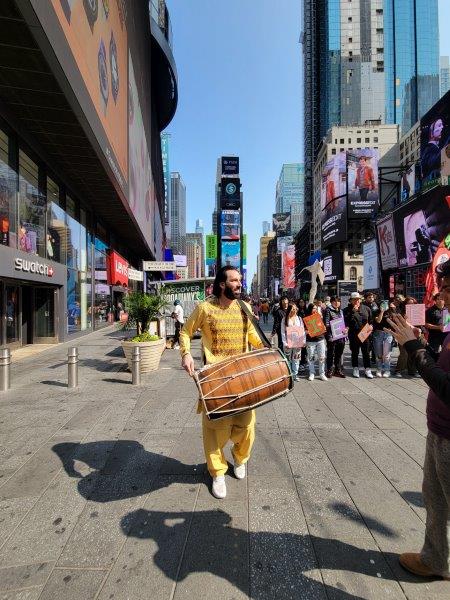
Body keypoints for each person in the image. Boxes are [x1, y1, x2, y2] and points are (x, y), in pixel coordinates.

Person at [385, 260, 450, 581]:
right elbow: (442, 367)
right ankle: (435, 559)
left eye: (448, 289)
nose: (442, 295)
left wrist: (415, 349)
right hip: (438, 430)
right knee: (434, 497)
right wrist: (420, 345)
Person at [179, 266, 263, 500]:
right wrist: (185, 354)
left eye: (240, 279)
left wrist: (265, 349)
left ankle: (240, 458)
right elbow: (185, 332)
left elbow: (253, 337)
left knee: (246, 426)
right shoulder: (205, 308)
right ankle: (217, 472)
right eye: (234, 280)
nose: (239, 283)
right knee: (215, 429)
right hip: (216, 378)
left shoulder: (244, 308)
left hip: (243, 377)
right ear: (222, 284)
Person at [343, 292, 373, 378]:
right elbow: (345, 322)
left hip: (365, 333)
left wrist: (371, 326)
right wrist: (353, 311)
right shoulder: (346, 310)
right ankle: (355, 368)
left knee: (366, 352)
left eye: (358, 299)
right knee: (355, 352)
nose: (357, 301)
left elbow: (371, 321)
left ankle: (367, 369)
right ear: (351, 300)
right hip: (353, 334)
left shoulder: (366, 308)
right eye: (354, 299)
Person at [395, 297, 420, 378]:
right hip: (404, 335)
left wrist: (422, 330)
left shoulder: (418, 312)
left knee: (414, 353)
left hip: (414, 335)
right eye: (409, 303)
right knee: (404, 353)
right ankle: (398, 370)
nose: (411, 305)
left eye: (412, 304)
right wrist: (404, 320)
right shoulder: (401, 313)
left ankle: (412, 370)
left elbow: (420, 324)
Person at [323, 296, 347, 378]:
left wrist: (345, 328)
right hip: (332, 336)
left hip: (341, 336)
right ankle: (329, 370)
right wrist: (335, 325)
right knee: (331, 353)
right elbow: (326, 324)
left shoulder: (341, 311)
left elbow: (343, 322)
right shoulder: (328, 310)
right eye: (335, 301)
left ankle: (337, 370)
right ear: (331, 302)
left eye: (338, 301)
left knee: (339, 353)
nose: (337, 303)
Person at [372, 300, 397, 377]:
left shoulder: (391, 312)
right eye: (382, 304)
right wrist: (382, 312)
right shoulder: (376, 311)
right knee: (379, 354)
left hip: (388, 334)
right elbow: (378, 321)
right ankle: (379, 369)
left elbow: (395, 324)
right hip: (378, 333)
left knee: (387, 354)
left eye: (386, 304)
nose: (384, 305)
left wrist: (394, 334)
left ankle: (387, 370)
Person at [304, 303, 327, 381]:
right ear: (310, 309)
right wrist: (307, 331)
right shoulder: (306, 318)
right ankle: (312, 372)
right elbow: (303, 330)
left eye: (316, 309)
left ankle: (322, 373)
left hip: (320, 339)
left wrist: (323, 327)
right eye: (313, 308)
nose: (315, 310)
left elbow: (324, 326)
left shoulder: (320, 316)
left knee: (322, 357)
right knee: (311, 357)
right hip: (310, 341)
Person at [281, 303, 303, 382]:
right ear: (289, 310)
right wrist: (285, 343)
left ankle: (295, 374)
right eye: (293, 309)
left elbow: (302, 331)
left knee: (296, 359)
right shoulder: (285, 319)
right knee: (288, 359)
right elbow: (283, 332)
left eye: (295, 308)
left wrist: (302, 341)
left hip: (297, 343)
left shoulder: (299, 319)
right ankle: (289, 374)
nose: (294, 310)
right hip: (288, 343)